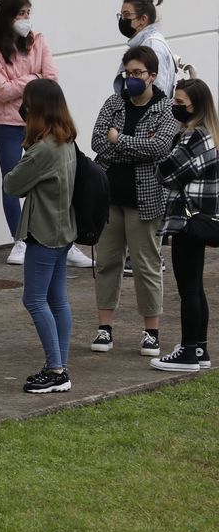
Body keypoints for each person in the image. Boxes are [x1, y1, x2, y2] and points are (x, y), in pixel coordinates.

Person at [0, 0, 92, 268]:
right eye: (21, 13)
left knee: (55, 177)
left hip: (41, 120)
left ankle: (64, 241)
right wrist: (34, 79)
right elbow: (1, 91)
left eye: (28, 13)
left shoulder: (38, 41)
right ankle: (20, 239)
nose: (26, 19)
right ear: (7, 16)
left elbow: (52, 78)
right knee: (11, 180)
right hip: (7, 122)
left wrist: (22, 82)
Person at [89, 47, 179, 358]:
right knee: (107, 263)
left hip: (146, 201)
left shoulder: (167, 109)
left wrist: (119, 141)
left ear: (153, 76)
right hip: (110, 198)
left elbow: (159, 147)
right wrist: (126, 146)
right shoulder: (114, 103)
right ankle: (104, 328)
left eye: (138, 73)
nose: (132, 79)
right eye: (128, 73)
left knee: (146, 266)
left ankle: (151, 333)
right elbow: (97, 141)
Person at [3, 79, 78, 394]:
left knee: (34, 299)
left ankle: (56, 369)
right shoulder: (66, 141)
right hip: (63, 233)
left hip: (44, 234)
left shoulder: (42, 150)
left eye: (28, 104)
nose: (24, 109)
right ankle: (60, 367)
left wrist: (27, 147)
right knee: (57, 299)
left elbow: (12, 184)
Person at [150, 78, 219, 372]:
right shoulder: (209, 134)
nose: (175, 108)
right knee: (195, 287)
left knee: (188, 288)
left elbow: (167, 173)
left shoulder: (195, 136)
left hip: (187, 221)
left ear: (196, 105)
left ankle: (189, 352)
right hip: (199, 219)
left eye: (180, 104)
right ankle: (199, 348)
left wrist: (159, 149)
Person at [115, 0, 176, 98]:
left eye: (127, 15)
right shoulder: (143, 44)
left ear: (143, 19)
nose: (122, 20)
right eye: (121, 15)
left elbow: (158, 92)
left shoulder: (153, 46)